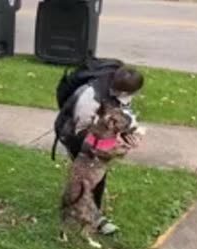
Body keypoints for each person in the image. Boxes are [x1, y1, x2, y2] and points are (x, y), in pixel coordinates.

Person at [52, 62, 145, 234]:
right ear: (122, 92)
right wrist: (110, 146)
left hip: (97, 133)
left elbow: (121, 114)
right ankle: (92, 218)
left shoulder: (119, 84)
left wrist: (127, 134)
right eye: (132, 94)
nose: (133, 97)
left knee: (95, 176)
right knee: (87, 178)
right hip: (76, 134)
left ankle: (87, 212)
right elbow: (82, 129)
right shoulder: (90, 98)